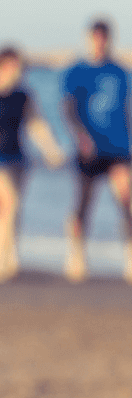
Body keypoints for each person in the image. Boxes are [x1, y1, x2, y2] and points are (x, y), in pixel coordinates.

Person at [60, 17, 132, 283]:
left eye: (104, 38)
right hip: (88, 149)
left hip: (119, 148)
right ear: (88, 39)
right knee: (84, 205)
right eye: (95, 38)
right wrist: (81, 136)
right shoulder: (76, 72)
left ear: (110, 40)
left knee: (127, 201)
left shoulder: (119, 72)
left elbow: (128, 109)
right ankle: (76, 258)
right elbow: (68, 109)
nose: (100, 43)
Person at [0, 45, 68, 282]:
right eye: (16, 66)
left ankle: (11, 256)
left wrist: (52, 150)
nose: (20, 71)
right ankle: (3, 259)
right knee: (10, 203)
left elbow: (36, 124)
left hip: (17, 158)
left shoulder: (24, 95)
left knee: (13, 210)